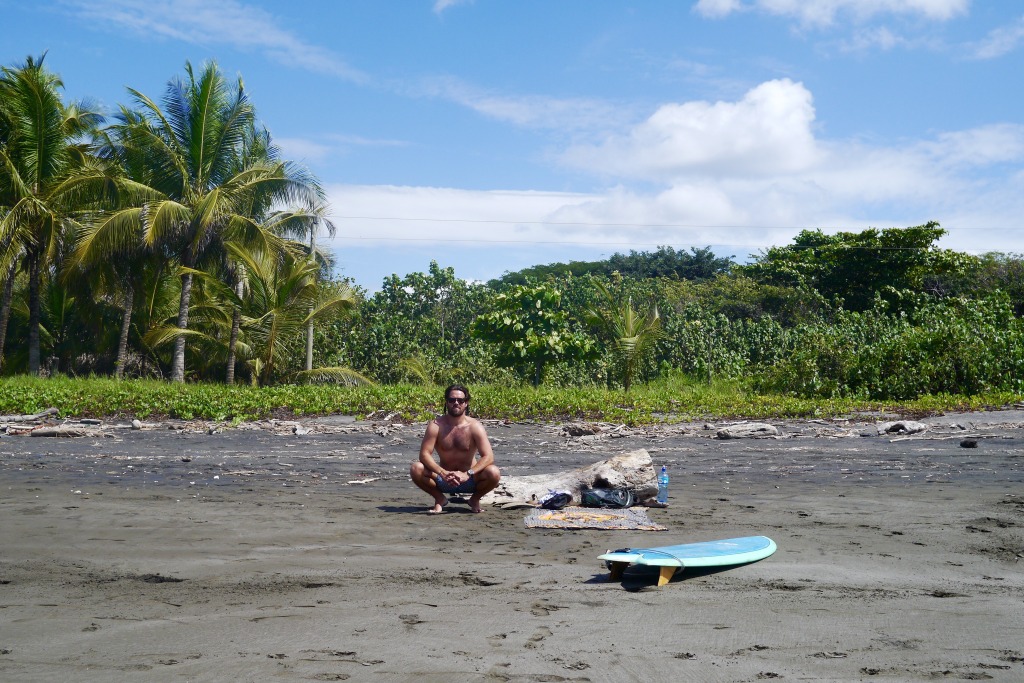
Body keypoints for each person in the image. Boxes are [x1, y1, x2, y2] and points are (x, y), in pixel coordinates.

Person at [409, 383, 500, 514]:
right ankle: (440, 498)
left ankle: (474, 499)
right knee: (416, 468)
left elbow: (488, 456)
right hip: (443, 478)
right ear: (446, 402)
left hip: (470, 479)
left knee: (494, 472)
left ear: (466, 403)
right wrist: (442, 473)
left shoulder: (475, 427)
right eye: (452, 400)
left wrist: (468, 474)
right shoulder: (436, 426)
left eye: (460, 400)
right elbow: (424, 454)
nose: (456, 403)